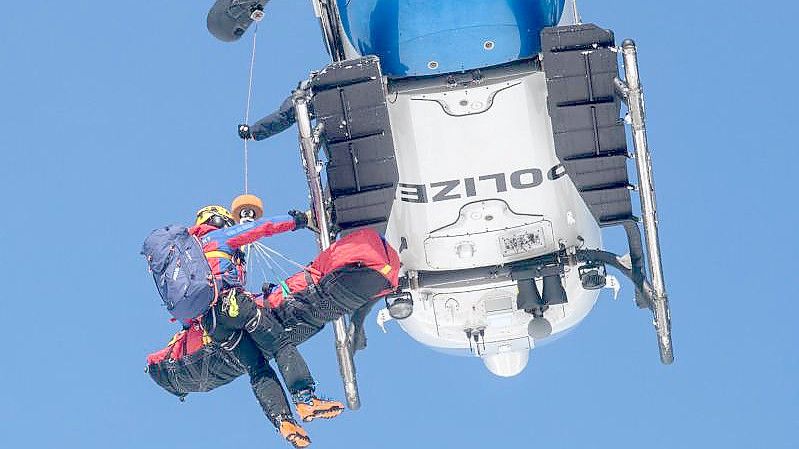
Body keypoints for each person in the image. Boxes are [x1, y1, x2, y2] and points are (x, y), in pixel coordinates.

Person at [191, 205, 343, 445]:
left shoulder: (191, 255)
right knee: (280, 344)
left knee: (257, 368)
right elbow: (262, 227)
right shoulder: (216, 237)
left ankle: (283, 420)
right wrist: (300, 220)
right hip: (233, 305)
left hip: (212, 324)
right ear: (219, 221)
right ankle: (305, 399)